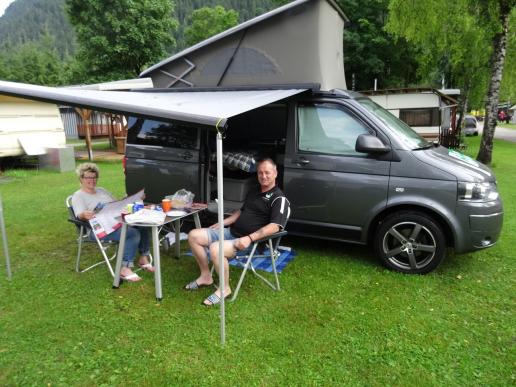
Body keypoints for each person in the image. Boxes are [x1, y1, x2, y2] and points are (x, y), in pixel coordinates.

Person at [185, 158, 291, 306]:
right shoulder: (254, 191)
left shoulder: (279, 199)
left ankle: (224, 289)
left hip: (251, 243)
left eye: (267, 172)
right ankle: (206, 276)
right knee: (194, 235)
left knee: (216, 248)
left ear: (275, 173)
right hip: (232, 233)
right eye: (260, 172)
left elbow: (275, 226)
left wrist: (249, 238)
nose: (263, 176)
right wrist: (224, 223)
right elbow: (241, 212)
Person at [71, 162, 153, 282]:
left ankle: (143, 258)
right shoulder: (78, 196)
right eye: (88, 177)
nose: (92, 180)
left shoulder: (102, 190)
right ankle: (125, 268)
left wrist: (132, 199)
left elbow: (117, 204)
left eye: (94, 177)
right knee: (132, 233)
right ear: (81, 178)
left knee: (143, 224)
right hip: (99, 229)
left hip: (116, 221)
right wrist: (84, 214)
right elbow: (79, 215)